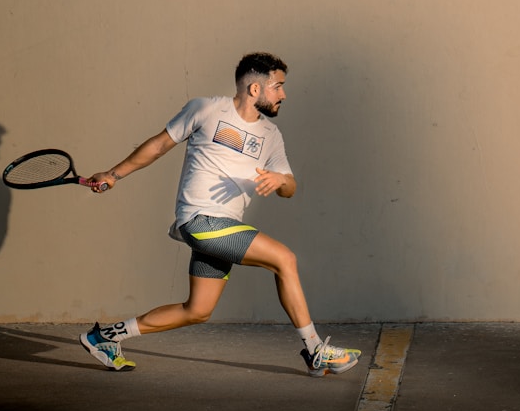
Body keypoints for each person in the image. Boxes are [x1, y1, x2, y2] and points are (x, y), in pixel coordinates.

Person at [78, 52, 361, 377]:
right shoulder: (206, 109)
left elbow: (291, 187)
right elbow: (157, 146)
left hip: (225, 229)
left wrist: (280, 179)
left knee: (197, 310)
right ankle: (315, 351)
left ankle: (103, 337)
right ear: (255, 89)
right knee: (285, 259)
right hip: (200, 220)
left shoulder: (270, 136)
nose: (283, 94)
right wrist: (113, 174)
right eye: (278, 87)